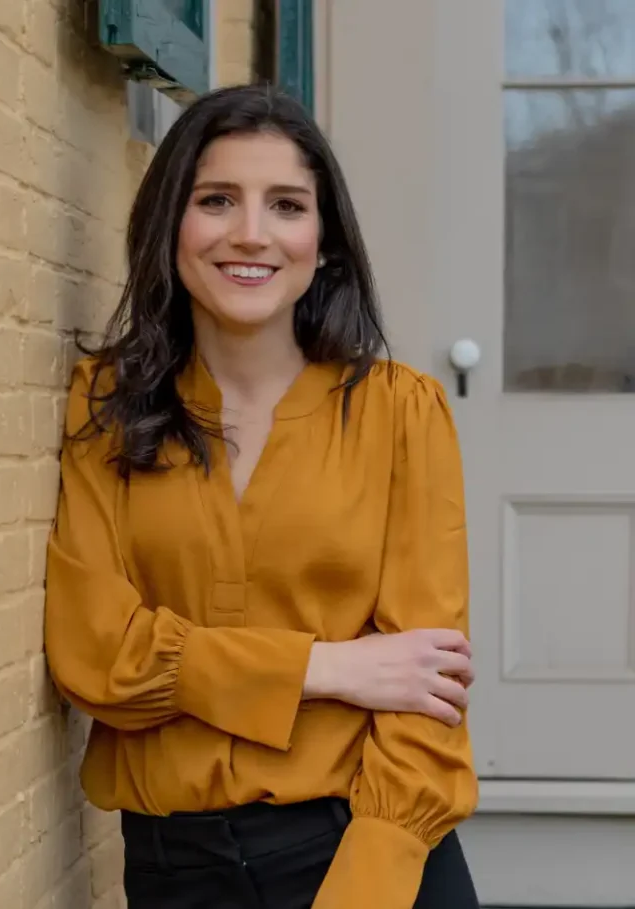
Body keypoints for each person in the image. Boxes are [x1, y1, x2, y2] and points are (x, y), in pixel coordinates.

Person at [44, 84, 480, 909]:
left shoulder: (400, 412)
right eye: (217, 200)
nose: (251, 233)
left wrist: (364, 889)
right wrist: (329, 665)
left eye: (286, 205)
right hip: (176, 868)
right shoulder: (108, 407)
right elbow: (95, 656)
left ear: (324, 241)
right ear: (171, 222)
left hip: (364, 852)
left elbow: (428, 694)